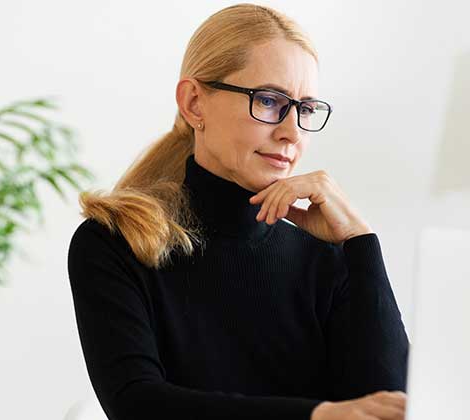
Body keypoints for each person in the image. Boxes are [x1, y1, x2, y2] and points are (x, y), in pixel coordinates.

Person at [66, 3, 409, 420]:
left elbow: (391, 406)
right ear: (194, 103)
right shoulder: (114, 244)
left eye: (305, 109)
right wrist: (317, 416)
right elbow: (139, 404)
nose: (292, 132)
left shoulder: (328, 259)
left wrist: (360, 242)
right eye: (268, 100)